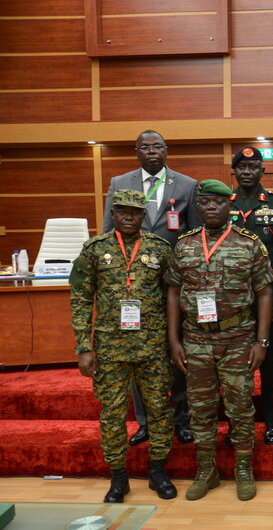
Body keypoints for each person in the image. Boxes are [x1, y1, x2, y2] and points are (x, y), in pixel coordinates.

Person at [166, 179, 273, 501]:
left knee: (240, 407)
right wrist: (173, 340)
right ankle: (207, 469)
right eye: (205, 202)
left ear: (230, 206)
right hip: (196, 338)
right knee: (200, 408)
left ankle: (244, 468)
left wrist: (262, 342)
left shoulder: (249, 243)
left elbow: (265, 292)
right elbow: (173, 292)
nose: (211, 207)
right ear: (197, 207)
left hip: (238, 337)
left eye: (217, 202)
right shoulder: (184, 244)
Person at [71, 189, 176, 503]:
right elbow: (80, 299)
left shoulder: (160, 248)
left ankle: (158, 471)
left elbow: (174, 297)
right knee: (113, 415)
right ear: (113, 213)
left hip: (153, 348)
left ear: (144, 216)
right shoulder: (94, 249)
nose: (129, 216)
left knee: (159, 411)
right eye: (123, 211)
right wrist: (83, 346)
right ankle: (118, 478)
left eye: (136, 212)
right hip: (110, 350)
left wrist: (173, 343)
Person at [102, 129, 201, 447]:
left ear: (166, 150)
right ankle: (144, 422)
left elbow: (196, 234)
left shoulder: (186, 185)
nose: (152, 151)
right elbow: (108, 232)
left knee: (178, 352)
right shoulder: (120, 183)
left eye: (157, 145)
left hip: (175, 284)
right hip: (134, 286)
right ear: (136, 152)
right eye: (145, 147)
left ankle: (181, 419)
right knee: (136, 353)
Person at [229, 146, 273, 445]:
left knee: (268, 365)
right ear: (235, 171)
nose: (247, 172)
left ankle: (272, 422)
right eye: (242, 167)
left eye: (253, 166)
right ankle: (236, 425)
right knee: (232, 367)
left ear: (262, 170)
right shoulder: (222, 203)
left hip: (265, 300)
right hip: (229, 302)